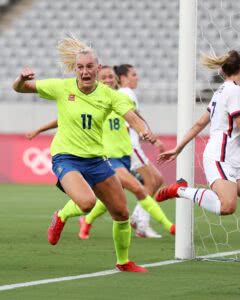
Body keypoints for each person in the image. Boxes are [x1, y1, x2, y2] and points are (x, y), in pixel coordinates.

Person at [13, 35, 156, 272]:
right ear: (75, 69)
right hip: (66, 157)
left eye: (90, 67)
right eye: (80, 67)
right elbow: (20, 89)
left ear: (98, 69)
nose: (85, 71)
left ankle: (123, 262)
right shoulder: (62, 87)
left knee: (121, 212)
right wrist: (21, 79)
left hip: (96, 160)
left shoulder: (109, 95)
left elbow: (131, 117)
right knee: (88, 203)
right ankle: (60, 216)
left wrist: (144, 131)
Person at [155, 50, 240, 271]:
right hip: (221, 157)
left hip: (237, 159)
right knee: (227, 207)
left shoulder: (222, 91)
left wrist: (178, 148)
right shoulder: (234, 92)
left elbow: (200, 124)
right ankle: (180, 190)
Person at [26, 66, 175, 240]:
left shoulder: (116, 99)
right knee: (138, 189)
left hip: (124, 155)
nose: (108, 80)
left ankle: (82, 221)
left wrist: (150, 136)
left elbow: (136, 117)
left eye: (111, 77)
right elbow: (63, 119)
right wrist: (39, 129)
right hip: (107, 157)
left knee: (106, 204)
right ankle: (169, 227)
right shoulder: (93, 98)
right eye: (104, 78)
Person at [113, 64, 167, 237]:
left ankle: (137, 218)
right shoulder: (125, 93)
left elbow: (136, 119)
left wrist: (151, 137)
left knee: (157, 179)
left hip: (132, 145)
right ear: (122, 78)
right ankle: (141, 224)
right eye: (133, 74)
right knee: (151, 181)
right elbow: (130, 123)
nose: (137, 77)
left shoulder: (125, 94)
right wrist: (151, 139)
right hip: (130, 146)